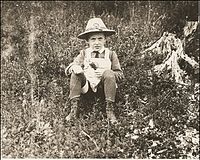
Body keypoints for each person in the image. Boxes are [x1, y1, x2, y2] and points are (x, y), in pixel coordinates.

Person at [65, 17, 124, 123]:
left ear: (105, 39)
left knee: (109, 73)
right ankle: (73, 110)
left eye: (100, 38)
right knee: (75, 72)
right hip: (87, 89)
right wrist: (75, 67)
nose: (97, 42)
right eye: (93, 39)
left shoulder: (110, 54)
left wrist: (107, 73)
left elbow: (120, 75)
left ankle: (109, 111)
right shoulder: (84, 53)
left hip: (104, 90)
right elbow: (69, 68)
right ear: (87, 41)